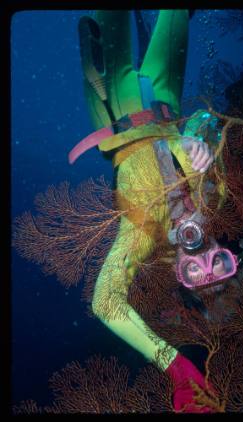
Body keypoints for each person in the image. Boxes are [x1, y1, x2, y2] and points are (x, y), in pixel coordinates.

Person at [73, 10, 227, 413]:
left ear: (177, 268)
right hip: (164, 98)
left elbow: (105, 303)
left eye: (193, 272)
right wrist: (201, 138)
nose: (199, 257)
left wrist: (175, 366)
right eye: (216, 261)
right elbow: (208, 120)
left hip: (119, 108)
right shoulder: (211, 199)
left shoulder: (141, 235)